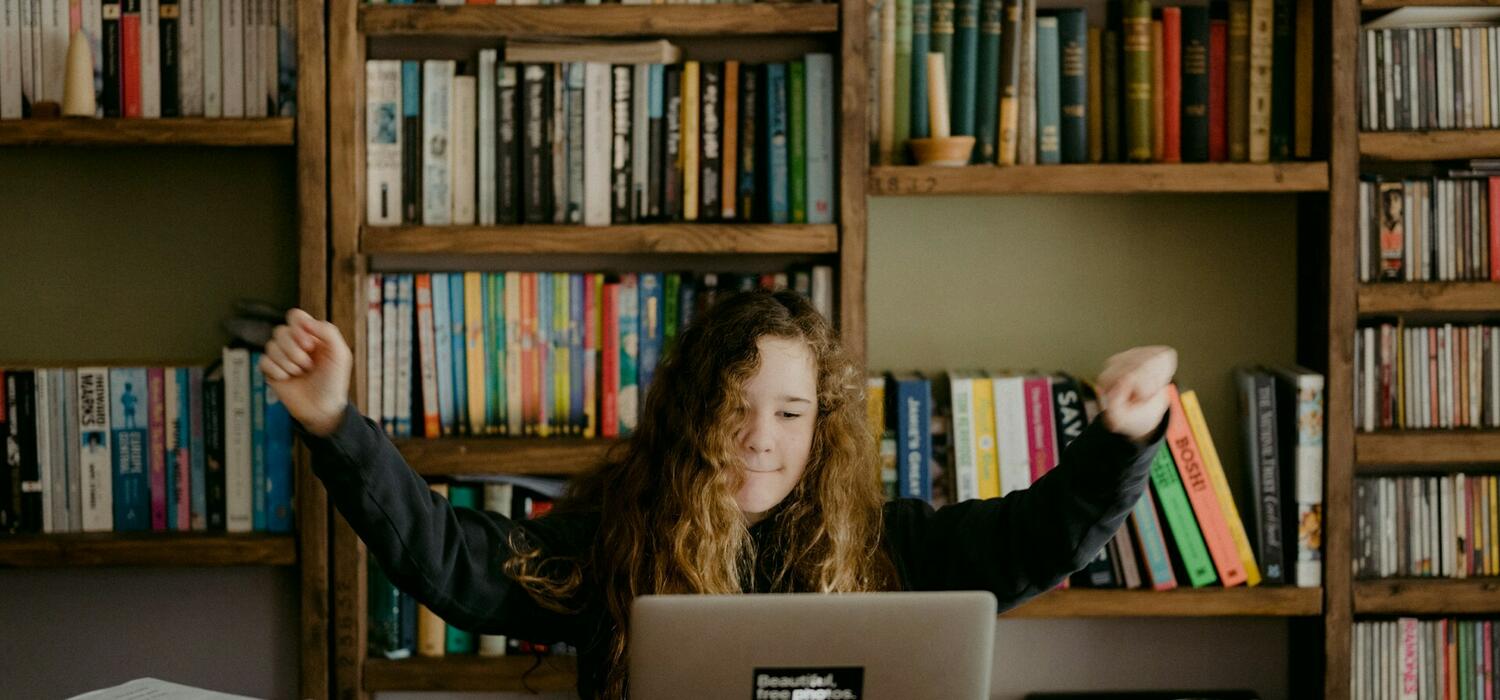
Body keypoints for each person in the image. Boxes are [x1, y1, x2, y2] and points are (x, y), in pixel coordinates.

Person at [263, 289, 1176, 699]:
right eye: (736, 409)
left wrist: (1124, 436)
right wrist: (336, 423)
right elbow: (453, 562)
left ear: (821, 427)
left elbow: (1037, 540)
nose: (761, 439)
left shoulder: (890, 543)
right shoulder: (616, 538)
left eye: (790, 412)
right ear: (691, 415)